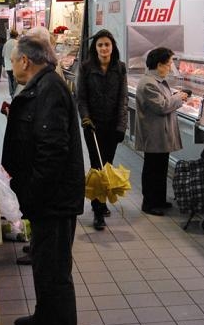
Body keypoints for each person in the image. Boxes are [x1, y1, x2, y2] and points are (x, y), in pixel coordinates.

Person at [2, 34, 84, 325]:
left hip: (53, 199)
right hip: (47, 198)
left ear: (25, 61)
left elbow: (52, 152)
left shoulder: (49, 89)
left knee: (54, 271)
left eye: (13, 60)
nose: (12, 66)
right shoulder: (44, 85)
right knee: (43, 264)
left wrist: (31, 195)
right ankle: (44, 315)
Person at [76, 29, 128, 230]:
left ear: (112, 47)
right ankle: (98, 211)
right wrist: (86, 119)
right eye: (100, 45)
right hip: (93, 126)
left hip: (112, 125)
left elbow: (123, 99)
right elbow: (81, 98)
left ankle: (102, 202)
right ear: (95, 48)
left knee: (108, 164)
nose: (104, 48)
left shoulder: (120, 68)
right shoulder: (86, 67)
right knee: (98, 166)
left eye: (107, 44)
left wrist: (122, 126)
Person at [134, 47, 187, 216]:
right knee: (152, 169)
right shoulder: (149, 83)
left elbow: (164, 100)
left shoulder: (157, 80)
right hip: (154, 133)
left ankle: (159, 199)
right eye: (169, 63)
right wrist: (179, 98)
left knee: (160, 168)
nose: (171, 67)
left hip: (160, 133)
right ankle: (149, 203)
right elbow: (162, 106)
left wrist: (175, 96)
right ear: (159, 65)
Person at [2, 29, 19, 97]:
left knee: (10, 78)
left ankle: (11, 93)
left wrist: (4, 64)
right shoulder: (17, 43)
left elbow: (3, 54)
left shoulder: (6, 43)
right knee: (15, 79)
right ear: (16, 35)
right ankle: (14, 92)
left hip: (8, 65)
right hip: (16, 64)